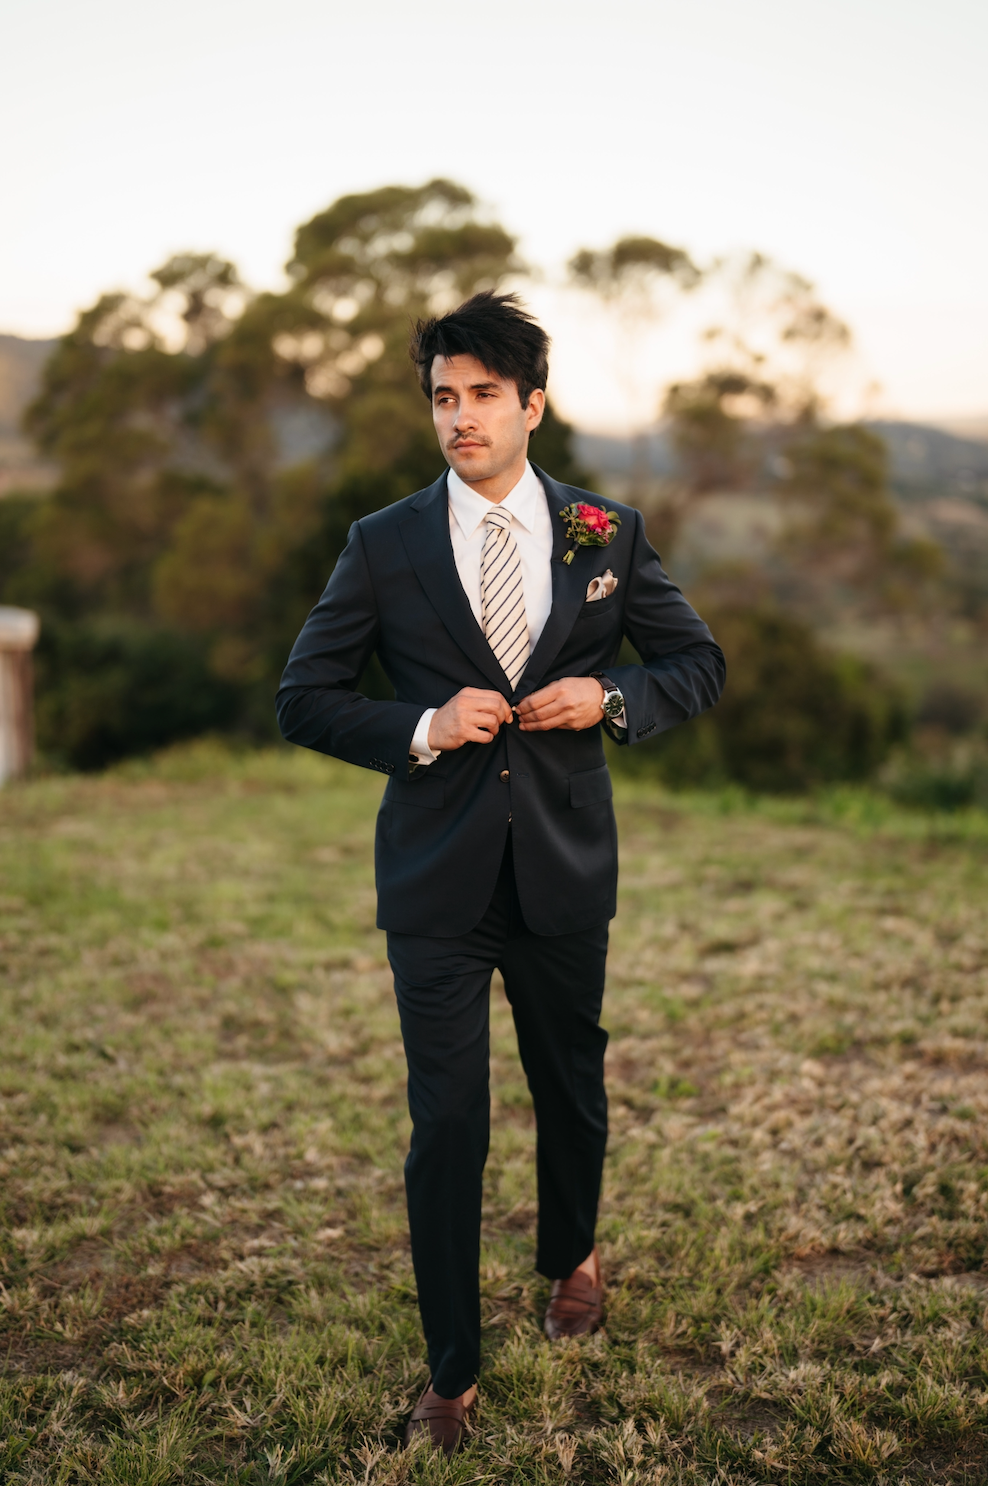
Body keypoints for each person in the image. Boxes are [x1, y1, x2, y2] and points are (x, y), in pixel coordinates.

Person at [276, 292, 724, 1453]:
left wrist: (609, 696)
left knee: (569, 1085)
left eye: (483, 394)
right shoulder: (382, 542)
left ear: (533, 405)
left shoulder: (604, 532)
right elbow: (303, 697)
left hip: (564, 870)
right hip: (435, 879)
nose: (460, 416)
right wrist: (422, 724)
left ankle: (571, 1254)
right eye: (443, 396)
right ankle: (451, 1369)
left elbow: (696, 662)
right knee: (447, 1124)